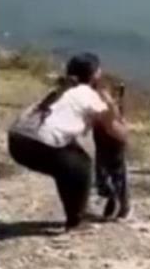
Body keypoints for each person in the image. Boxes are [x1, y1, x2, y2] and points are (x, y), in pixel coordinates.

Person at [8, 53, 128, 231]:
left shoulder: (61, 89)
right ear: (95, 74)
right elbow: (113, 130)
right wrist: (112, 105)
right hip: (41, 141)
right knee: (81, 166)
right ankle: (76, 221)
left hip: (16, 140)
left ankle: (75, 211)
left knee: (67, 165)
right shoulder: (87, 94)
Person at [94, 81, 131, 220]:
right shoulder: (95, 101)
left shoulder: (109, 104)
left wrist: (108, 101)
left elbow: (115, 116)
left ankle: (123, 207)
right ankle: (113, 198)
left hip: (115, 141)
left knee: (119, 176)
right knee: (102, 176)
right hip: (102, 142)